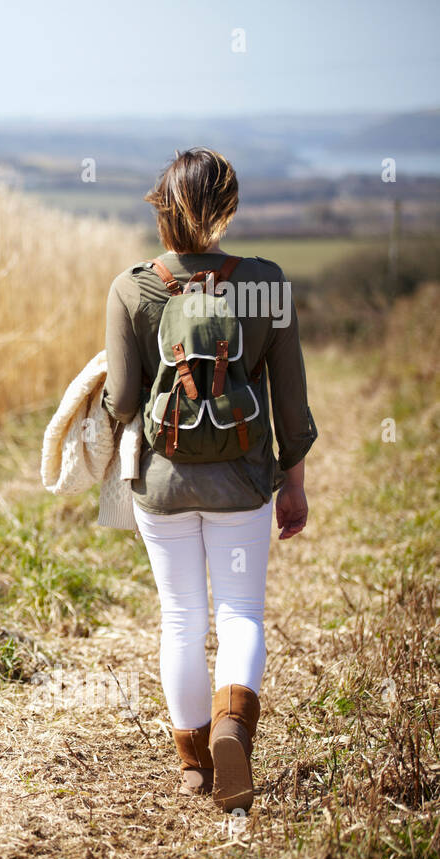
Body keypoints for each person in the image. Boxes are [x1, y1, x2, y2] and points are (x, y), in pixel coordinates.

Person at [102, 147, 318, 811]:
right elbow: (291, 402)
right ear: (227, 209)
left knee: (180, 618)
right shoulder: (267, 284)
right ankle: (233, 733)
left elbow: (121, 402)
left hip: (163, 488)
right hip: (242, 482)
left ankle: (194, 766)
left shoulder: (133, 288)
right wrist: (293, 481)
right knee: (240, 612)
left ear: (163, 211)